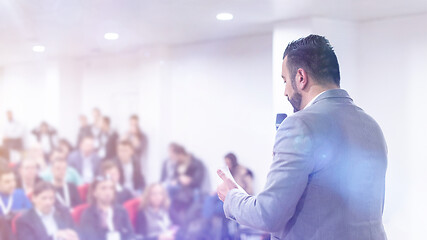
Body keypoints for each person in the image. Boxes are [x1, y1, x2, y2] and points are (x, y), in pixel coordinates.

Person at [217, 35, 388, 240]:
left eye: (285, 81)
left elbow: (268, 215)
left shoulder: (300, 124)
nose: (285, 91)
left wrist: (232, 196)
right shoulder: (371, 125)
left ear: (300, 77)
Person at [79, 176, 134, 240]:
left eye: (111, 188)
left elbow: (130, 234)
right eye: (103, 188)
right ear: (94, 192)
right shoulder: (88, 214)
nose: (108, 192)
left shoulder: (121, 211)